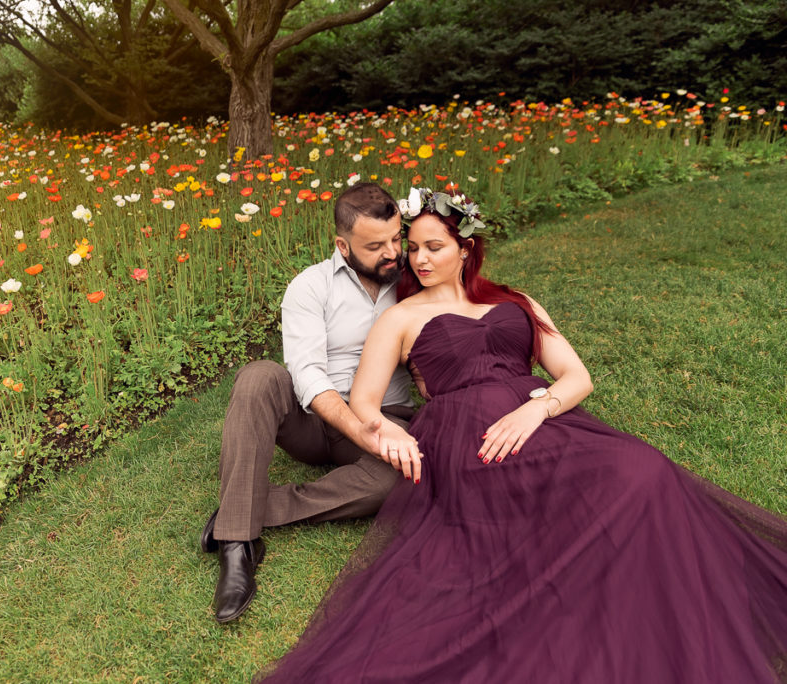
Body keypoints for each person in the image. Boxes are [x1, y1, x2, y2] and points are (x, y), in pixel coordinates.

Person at [257, 186, 787, 682]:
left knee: (642, 470)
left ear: (465, 249)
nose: (418, 259)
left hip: (538, 417)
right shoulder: (398, 318)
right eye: (412, 247)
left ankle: (655, 591)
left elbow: (577, 376)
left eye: (434, 247)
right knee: (534, 504)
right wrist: (387, 435)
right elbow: (365, 401)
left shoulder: (517, 302)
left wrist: (537, 411)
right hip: (468, 436)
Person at [201, 182, 422, 624]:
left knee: (399, 479)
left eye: (397, 239)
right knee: (259, 376)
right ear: (342, 245)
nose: (392, 253)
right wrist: (352, 424)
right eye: (375, 245)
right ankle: (237, 548)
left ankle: (243, 510)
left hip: (383, 417)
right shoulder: (310, 286)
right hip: (312, 421)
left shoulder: (414, 283)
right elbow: (305, 372)